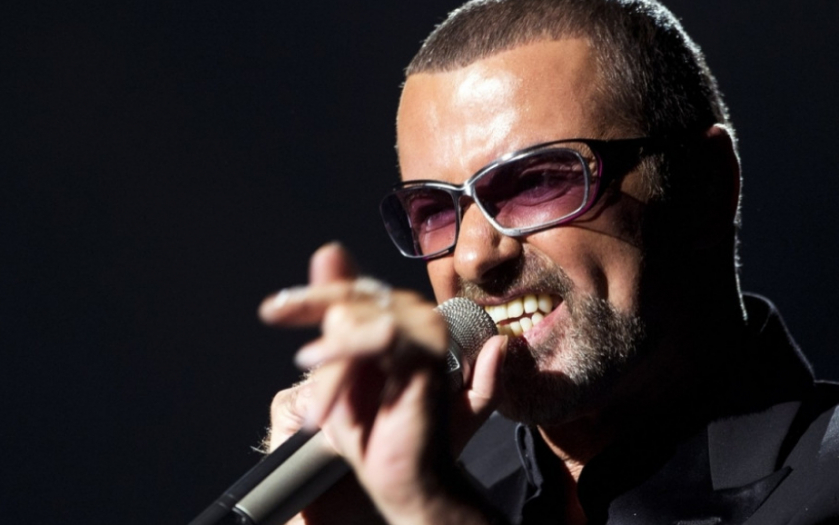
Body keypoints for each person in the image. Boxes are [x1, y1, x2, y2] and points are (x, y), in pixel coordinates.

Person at [257, 1, 839, 523]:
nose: (473, 256)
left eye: (536, 182)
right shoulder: (424, 479)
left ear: (703, 189)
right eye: (434, 210)